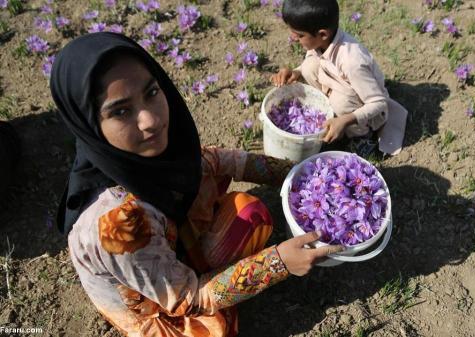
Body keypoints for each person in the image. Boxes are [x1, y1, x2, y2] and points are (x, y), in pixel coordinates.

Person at [50, 32, 343, 337]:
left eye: (151, 92)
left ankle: (194, 262)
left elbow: (217, 160)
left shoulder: (158, 146)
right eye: (121, 111)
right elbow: (189, 299)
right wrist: (278, 263)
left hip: (166, 246)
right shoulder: (117, 224)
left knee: (249, 212)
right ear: (89, 123)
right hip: (152, 302)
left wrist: (299, 175)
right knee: (216, 329)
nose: (150, 120)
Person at [271, 0, 408, 157]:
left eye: (300, 35)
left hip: (369, 113)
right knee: (309, 66)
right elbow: (313, 63)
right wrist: (296, 72)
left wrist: (344, 120)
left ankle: (360, 137)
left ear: (322, 34)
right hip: (338, 84)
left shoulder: (352, 61)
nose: (293, 38)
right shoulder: (322, 42)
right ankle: (328, 112)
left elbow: (378, 103)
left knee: (340, 103)